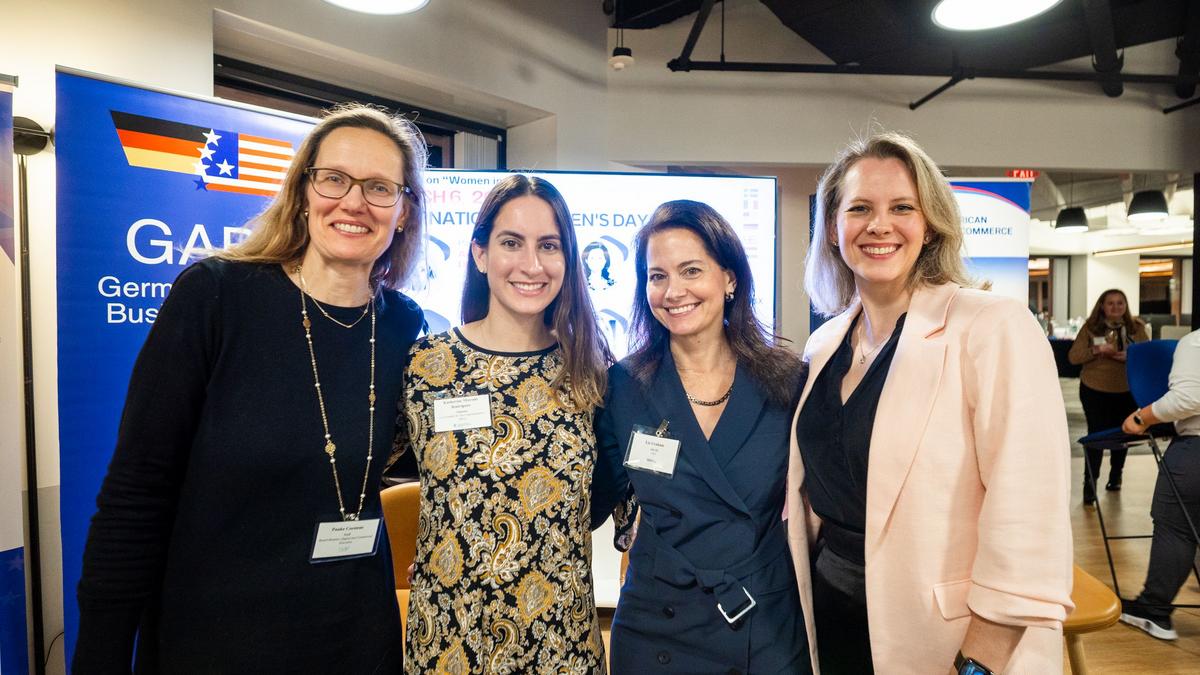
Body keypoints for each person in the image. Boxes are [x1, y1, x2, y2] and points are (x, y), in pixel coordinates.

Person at [74, 104, 428, 672]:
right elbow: (136, 492)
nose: (354, 202)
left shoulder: (403, 326)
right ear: (303, 192)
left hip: (356, 641)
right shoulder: (216, 296)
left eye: (379, 187)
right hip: (218, 641)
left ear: (405, 211)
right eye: (334, 179)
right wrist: (102, 655)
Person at [788, 132, 1073, 674]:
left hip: (949, 640)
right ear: (832, 228)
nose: (880, 225)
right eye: (860, 209)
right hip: (833, 618)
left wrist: (979, 663)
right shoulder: (823, 345)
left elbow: (1029, 515)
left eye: (902, 208)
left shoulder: (991, 327)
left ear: (931, 225)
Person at [397, 175, 612, 673]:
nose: (531, 264)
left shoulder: (590, 373)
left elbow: (611, 497)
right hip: (450, 640)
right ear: (480, 254)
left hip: (561, 645)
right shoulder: (425, 365)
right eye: (511, 243)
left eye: (549, 246)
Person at [592, 200, 809, 673]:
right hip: (656, 626)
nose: (674, 291)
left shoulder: (789, 381)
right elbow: (588, 502)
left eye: (691, 270)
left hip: (760, 620)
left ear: (729, 278)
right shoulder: (623, 386)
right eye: (657, 276)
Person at [1118, 329, 1200, 641]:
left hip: (1195, 448)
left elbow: (1187, 399)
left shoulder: (1195, 342)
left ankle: (1153, 610)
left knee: (1176, 526)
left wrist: (1142, 418)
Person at [1068, 289, 1148, 503]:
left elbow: (1147, 355)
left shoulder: (1137, 328)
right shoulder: (1091, 327)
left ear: (1126, 306)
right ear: (1102, 306)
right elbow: (1074, 357)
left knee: (1124, 433)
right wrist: (1097, 351)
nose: (1115, 307)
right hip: (1095, 389)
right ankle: (1090, 485)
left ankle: (1116, 476)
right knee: (1096, 435)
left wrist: (1130, 356)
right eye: (1110, 303)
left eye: (1120, 303)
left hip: (1127, 390)